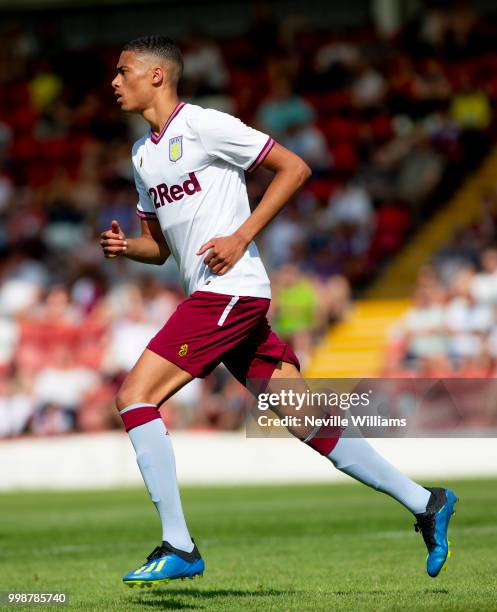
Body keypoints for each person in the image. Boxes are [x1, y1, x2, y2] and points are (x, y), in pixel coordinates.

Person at [101, 35, 458, 588]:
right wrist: (130, 249)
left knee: (134, 395)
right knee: (308, 422)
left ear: (156, 76)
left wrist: (242, 236)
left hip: (229, 292)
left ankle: (179, 543)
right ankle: (428, 501)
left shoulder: (205, 125)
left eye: (123, 71)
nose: (114, 81)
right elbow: (162, 247)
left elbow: (294, 168)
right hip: (216, 295)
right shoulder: (142, 154)